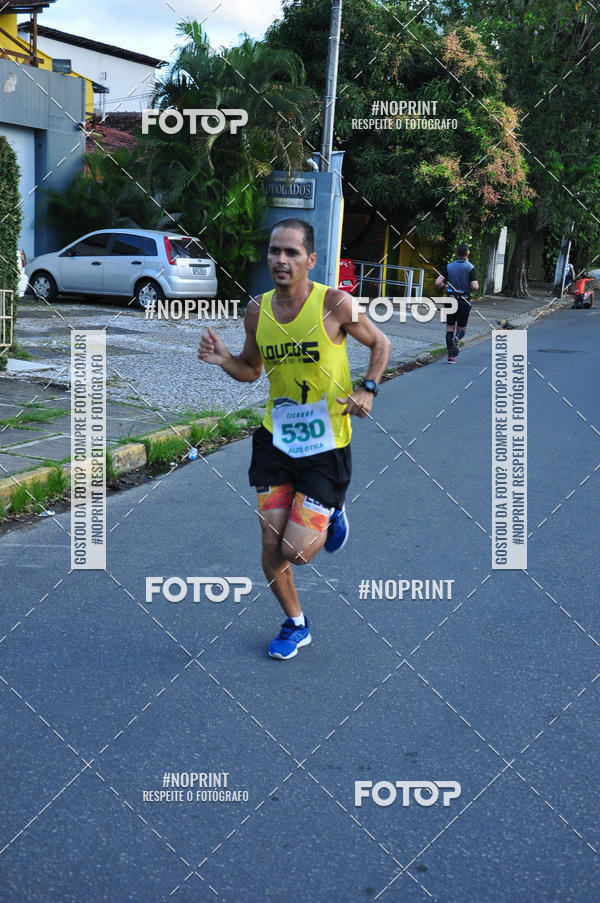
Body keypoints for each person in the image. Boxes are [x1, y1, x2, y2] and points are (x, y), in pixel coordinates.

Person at [198, 218, 391, 660]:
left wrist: (368, 388)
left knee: (297, 552)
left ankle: (334, 510)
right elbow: (251, 370)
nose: (281, 260)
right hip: (275, 439)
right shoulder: (256, 311)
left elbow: (381, 344)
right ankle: (296, 623)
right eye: (274, 251)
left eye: (291, 253)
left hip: (326, 444)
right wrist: (225, 359)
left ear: (311, 260)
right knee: (270, 548)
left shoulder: (334, 304)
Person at [435, 244, 479, 363]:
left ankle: (451, 357)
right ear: (467, 254)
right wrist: (469, 285)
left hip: (450, 300)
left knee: (449, 327)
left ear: (456, 253)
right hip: (464, 301)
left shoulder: (449, 266)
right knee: (462, 328)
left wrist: (445, 287)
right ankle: (457, 338)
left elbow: (438, 282)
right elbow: (475, 286)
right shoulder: (470, 267)